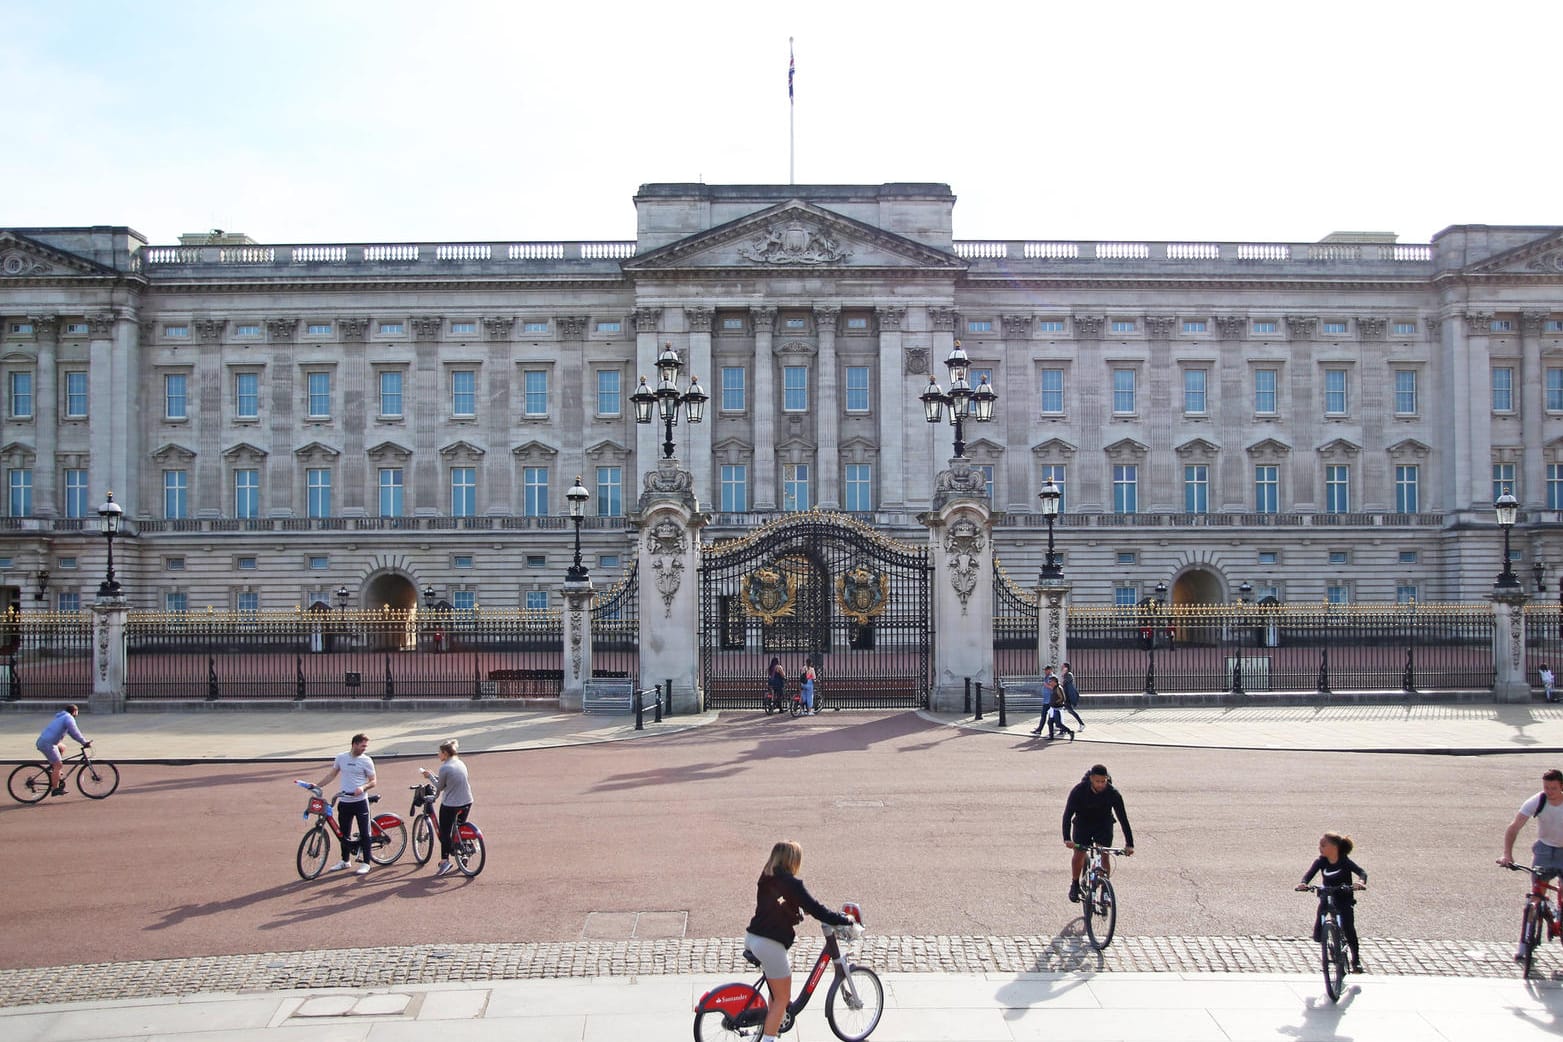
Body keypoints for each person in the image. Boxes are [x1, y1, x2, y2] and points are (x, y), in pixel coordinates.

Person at [743, 840, 859, 1042]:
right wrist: (844, 920)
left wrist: (796, 906)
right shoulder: (792, 884)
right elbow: (818, 910)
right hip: (770, 944)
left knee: (775, 993)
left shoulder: (767, 876)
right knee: (783, 998)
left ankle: (774, 1023)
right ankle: (768, 1038)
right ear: (793, 861)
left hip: (753, 937)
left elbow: (775, 903)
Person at [1499, 768, 1563, 957]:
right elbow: (1514, 827)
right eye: (1546, 787)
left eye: (1553, 788)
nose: (1548, 791)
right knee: (1536, 895)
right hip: (1544, 850)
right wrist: (1507, 855)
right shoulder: (1538, 801)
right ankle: (1524, 945)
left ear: (1562, 787)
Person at [1296, 831, 1368, 972]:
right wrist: (1303, 883)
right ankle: (1319, 933)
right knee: (1322, 907)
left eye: (1323, 845)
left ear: (1334, 848)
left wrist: (1360, 882)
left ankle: (1355, 960)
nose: (1320, 848)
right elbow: (1309, 875)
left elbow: (1362, 872)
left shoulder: (1344, 861)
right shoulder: (1321, 862)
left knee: (1348, 928)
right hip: (1328, 894)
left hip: (1344, 896)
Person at [1062, 764, 1134, 903]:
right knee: (1079, 853)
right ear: (1091, 779)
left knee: (1104, 855)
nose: (1101, 784)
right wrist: (1067, 838)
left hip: (1103, 824)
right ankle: (1075, 884)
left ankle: (1105, 889)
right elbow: (1067, 815)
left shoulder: (1113, 793)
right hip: (1083, 823)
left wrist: (1129, 844)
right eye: (1097, 781)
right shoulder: (1079, 790)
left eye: (1103, 781)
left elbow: (1123, 819)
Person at [317, 732, 376, 875]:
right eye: (362, 746)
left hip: (360, 802)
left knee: (364, 833)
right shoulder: (341, 758)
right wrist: (317, 786)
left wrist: (362, 788)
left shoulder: (366, 760)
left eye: (365, 746)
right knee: (343, 833)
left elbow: (373, 781)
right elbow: (332, 774)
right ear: (354, 744)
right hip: (344, 801)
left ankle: (366, 863)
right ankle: (345, 860)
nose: (364, 749)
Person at [418, 737, 473, 877]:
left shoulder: (445, 767)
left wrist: (430, 777)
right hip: (466, 801)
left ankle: (445, 861)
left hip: (451, 804)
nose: (438, 755)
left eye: (439, 752)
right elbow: (448, 781)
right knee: (460, 827)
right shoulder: (460, 763)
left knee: (445, 832)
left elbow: (440, 787)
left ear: (445, 753)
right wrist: (434, 776)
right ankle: (463, 851)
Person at [35, 703, 89, 797]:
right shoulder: (69, 718)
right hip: (48, 743)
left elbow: (72, 734)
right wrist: (84, 742)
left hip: (45, 741)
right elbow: (75, 732)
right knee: (58, 765)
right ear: (74, 711)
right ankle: (55, 789)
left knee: (62, 747)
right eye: (77, 712)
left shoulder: (62, 717)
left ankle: (54, 770)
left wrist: (82, 741)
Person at [1030, 666, 1058, 735]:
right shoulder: (1046, 677)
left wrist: (1047, 686)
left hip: (1050, 700)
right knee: (1044, 716)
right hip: (1046, 700)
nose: (1045, 671)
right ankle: (1040, 730)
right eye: (1045, 670)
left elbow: (1054, 688)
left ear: (1050, 670)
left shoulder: (1052, 678)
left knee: (1049, 717)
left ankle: (1053, 731)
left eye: (1046, 670)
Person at [1060, 662, 1086, 732]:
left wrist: (1063, 674)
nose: (1062, 668)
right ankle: (1058, 725)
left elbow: (1063, 683)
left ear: (1066, 668)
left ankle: (1081, 724)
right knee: (1065, 710)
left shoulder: (1069, 674)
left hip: (1067, 696)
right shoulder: (1065, 675)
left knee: (1069, 710)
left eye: (1063, 667)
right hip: (1064, 696)